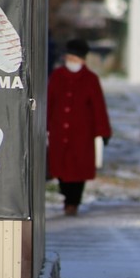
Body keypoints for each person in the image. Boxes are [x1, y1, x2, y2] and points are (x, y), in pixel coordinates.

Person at [47, 39, 112, 216]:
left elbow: (98, 107)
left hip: (82, 133)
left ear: (82, 59)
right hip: (59, 130)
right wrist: (44, 125)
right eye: (69, 57)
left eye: (75, 58)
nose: (71, 61)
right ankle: (67, 197)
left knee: (78, 170)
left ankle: (73, 202)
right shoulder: (57, 76)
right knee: (60, 167)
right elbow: (49, 102)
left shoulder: (91, 79)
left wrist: (103, 132)